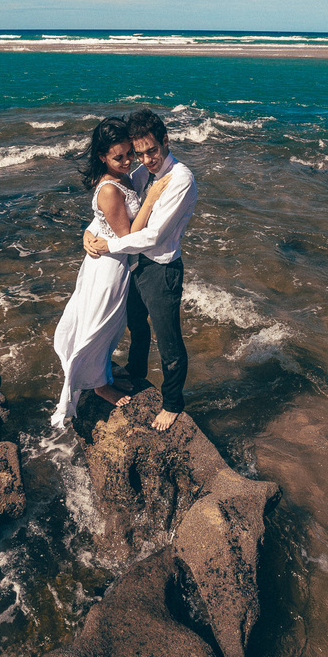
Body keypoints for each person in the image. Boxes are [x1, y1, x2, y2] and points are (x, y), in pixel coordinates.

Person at [52, 117, 172, 429]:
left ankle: (101, 372)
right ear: (102, 156)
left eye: (130, 153)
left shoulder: (124, 178)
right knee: (99, 325)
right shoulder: (110, 188)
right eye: (119, 157)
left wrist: (88, 232)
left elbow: (102, 224)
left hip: (115, 264)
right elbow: (128, 235)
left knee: (110, 326)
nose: (129, 160)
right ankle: (99, 385)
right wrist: (153, 198)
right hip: (108, 268)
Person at [84, 108, 197, 431]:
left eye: (152, 151)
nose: (146, 159)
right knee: (136, 326)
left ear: (165, 141)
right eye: (140, 153)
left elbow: (153, 235)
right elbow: (118, 205)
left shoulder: (181, 180)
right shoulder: (144, 174)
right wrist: (89, 232)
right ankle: (135, 374)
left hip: (161, 269)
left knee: (168, 340)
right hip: (135, 264)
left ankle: (173, 403)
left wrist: (110, 246)